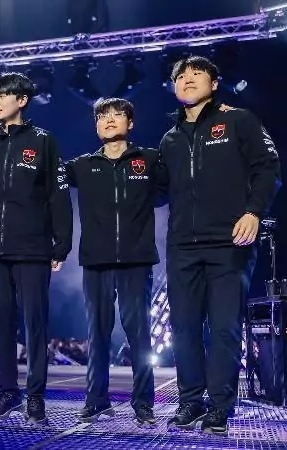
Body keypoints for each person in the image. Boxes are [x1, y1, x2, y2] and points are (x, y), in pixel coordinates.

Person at [159, 56, 281, 435]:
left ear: (214, 84)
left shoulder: (239, 120)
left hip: (230, 241)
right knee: (183, 328)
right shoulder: (169, 139)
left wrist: (254, 211)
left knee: (225, 327)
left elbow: (268, 167)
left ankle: (220, 406)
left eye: (197, 73)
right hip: (182, 246)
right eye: (181, 75)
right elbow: (158, 191)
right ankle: (190, 402)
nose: (187, 79)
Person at [0, 72, 72, 424]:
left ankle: (35, 396)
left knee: (35, 324)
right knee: (1, 323)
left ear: (22, 100)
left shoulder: (43, 141)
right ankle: (8, 392)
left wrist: (61, 243)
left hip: (32, 247)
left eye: (4, 95)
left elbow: (58, 195)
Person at [64, 97, 160, 426]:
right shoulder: (82, 166)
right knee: (98, 334)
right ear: (96, 126)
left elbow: (172, 189)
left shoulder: (150, 160)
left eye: (117, 115)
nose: (108, 120)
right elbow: (46, 175)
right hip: (96, 261)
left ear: (130, 123)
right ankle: (97, 401)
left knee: (139, 334)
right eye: (102, 116)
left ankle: (143, 403)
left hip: (136, 260)